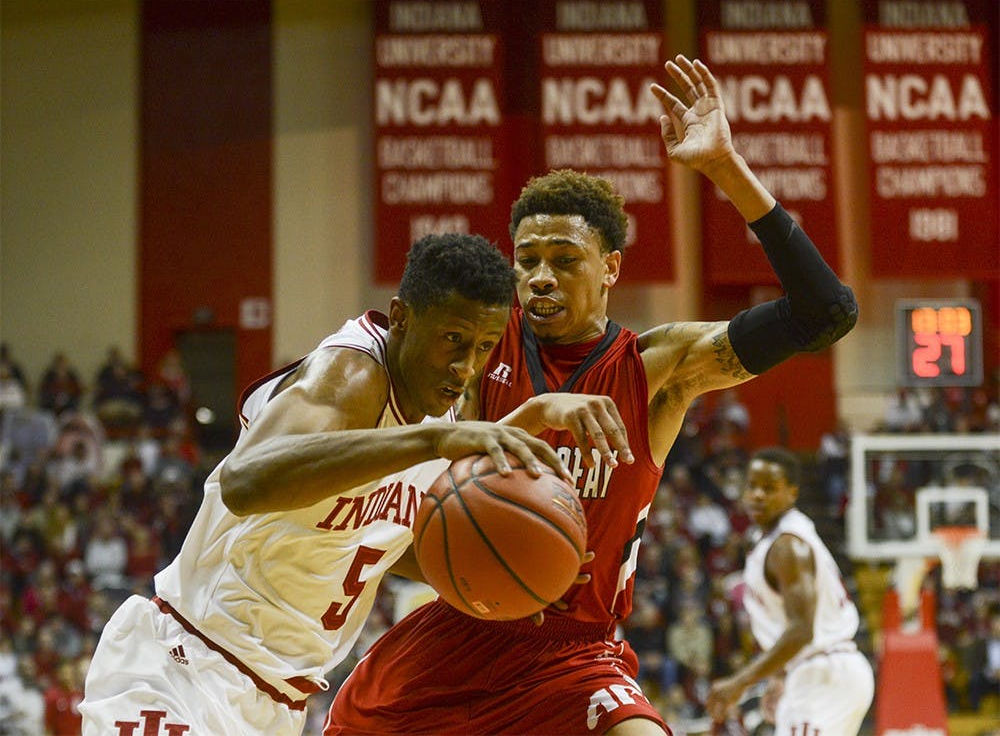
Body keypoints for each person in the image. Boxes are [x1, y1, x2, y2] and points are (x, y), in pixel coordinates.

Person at [326, 54, 858, 735]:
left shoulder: (657, 366)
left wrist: (725, 168)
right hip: (460, 633)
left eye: (564, 260)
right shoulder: (480, 342)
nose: (540, 277)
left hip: (576, 652)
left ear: (610, 267)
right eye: (527, 260)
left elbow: (826, 312)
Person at [79, 232, 622, 735]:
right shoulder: (351, 375)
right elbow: (244, 481)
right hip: (184, 666)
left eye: (482, 347)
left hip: (278, 706)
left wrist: (522, 572)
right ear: (402, 319)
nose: (464, 367)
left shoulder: (440, 421)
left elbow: (406, 544)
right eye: (452, 339)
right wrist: (432, 446)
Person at [706, 447, 874, 733]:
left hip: (824, 674)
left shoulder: (788, 547)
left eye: (769, 488)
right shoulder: (772, 539)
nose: (758, 495)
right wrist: (780, 675)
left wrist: (740, 682)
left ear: (792, 493)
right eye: (752, 486)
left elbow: (802, 631)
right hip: (821, 672)